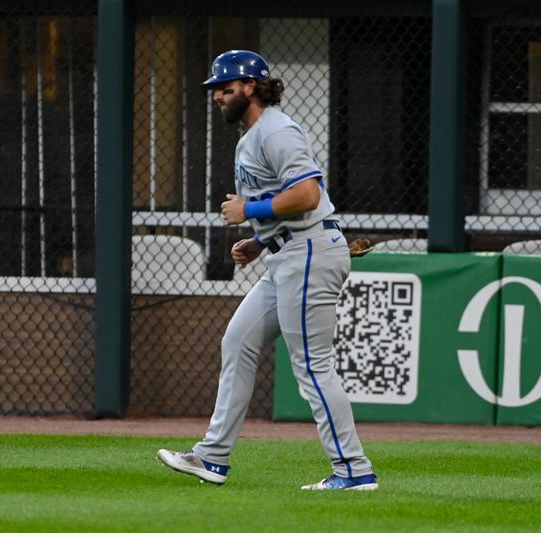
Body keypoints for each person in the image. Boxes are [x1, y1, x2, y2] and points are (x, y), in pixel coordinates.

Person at [157, 50, 377, 491]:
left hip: (309, 253)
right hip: (287, 254)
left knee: (313, 367)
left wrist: (248, 209)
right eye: (215, 89)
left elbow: (308, 195)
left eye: (226, 87)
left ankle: (353, 471)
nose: (217, 95)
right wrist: (260, 240)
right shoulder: (253, 136)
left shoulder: (276, 129)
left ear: (251, 86)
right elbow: (291, 202)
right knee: (238, 342)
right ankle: (213, 457)